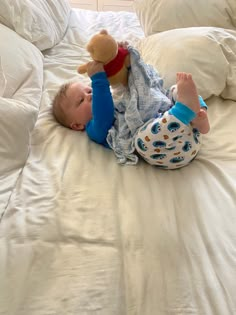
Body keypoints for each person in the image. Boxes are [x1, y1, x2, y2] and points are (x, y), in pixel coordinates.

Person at [52, 61, 210, 169]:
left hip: (188, 131)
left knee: (168, 93)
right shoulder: (93, 129)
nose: (90, 95)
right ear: (77, 125)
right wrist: (98, 81)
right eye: (81, 100)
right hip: (172, 151)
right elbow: (103, 114)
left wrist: (124, 61)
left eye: (89, 91)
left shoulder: (116, 102)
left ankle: (198, 117)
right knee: (142, 140)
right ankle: (184, 110)